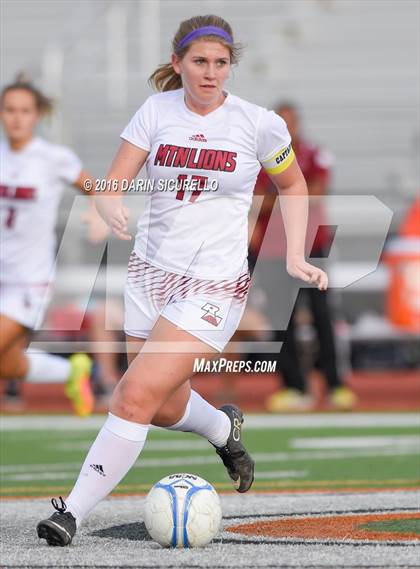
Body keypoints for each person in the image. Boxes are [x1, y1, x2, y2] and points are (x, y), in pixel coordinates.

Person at [36, 14, 328, 546]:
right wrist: (106, 203)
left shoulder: (258, 123)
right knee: (168, 406)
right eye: (199, 62)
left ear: (230, 65)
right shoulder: (155, 110)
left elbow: (294, 184)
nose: (210, 72)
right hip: (149, 274)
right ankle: (222, 427)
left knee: (132, 398)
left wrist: (293, 256)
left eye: (220, 62)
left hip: (213, 284)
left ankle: (69, 511)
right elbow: (112, 178)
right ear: (178, 63)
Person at [0, 78, 104, 416]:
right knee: (9, 366)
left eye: (25, 111)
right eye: (10, 110)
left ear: (38, 115)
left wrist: (98, 213)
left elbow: (93, 187)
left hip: (29, 280)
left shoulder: (53, 158)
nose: (17, 118)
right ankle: (73, 370)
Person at [249, 102, 355, 411]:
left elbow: (314, 192)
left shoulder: (314, 154)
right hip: (272, 250)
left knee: (322, 314)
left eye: (290, 122)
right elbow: (261, 202)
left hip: (310, 245)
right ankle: (294, 386)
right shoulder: (259, 159)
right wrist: (287, 192)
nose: (286, 128)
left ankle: (335, 384)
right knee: (282, 319)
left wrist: (281, 193)